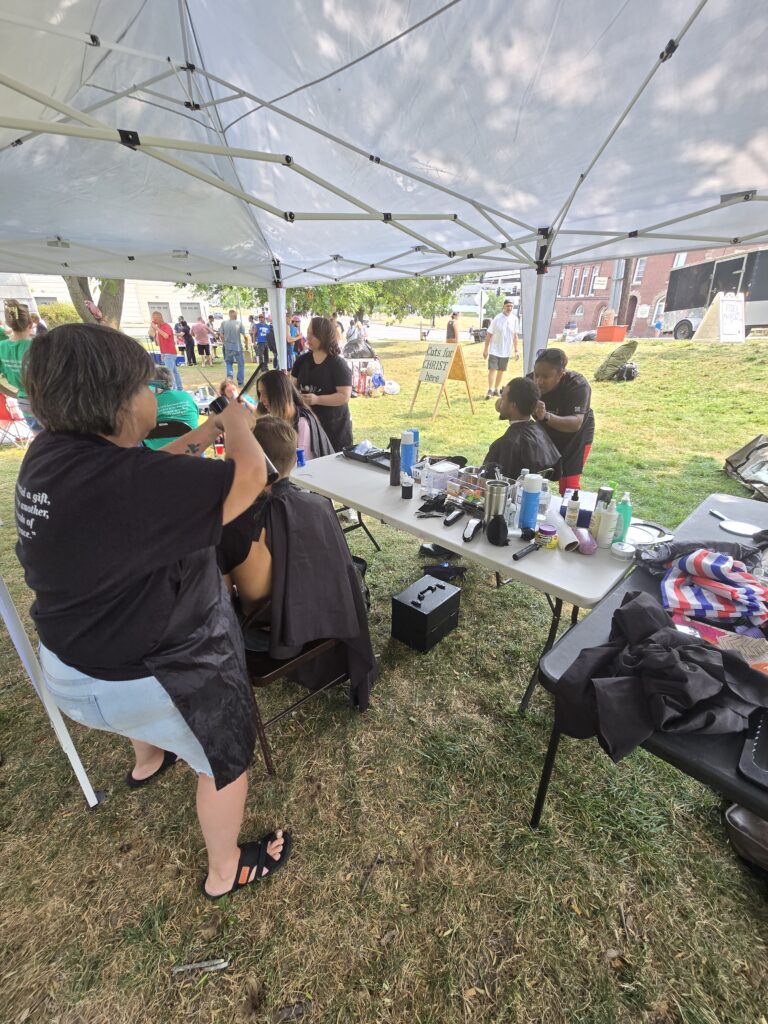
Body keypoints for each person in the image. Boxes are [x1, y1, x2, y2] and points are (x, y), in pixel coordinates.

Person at [16, 322, 290, 900]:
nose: (152, 396)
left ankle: (147, 759)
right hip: (142, 678)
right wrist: (240, 427)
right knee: (225, 758)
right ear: (117, 404)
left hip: (69, 668)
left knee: (145, 718)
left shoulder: (50, 456)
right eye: (146, 387)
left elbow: (145, 470)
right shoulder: (127, 484)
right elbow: (250, 478)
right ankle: (225, 871)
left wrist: (204, 432)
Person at [217, 415, 377, 707]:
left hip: (268, 637)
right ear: (293, 460)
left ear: (246, 458)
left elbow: (220, 601)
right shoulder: (319, 504)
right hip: (324, 619)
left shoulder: (232, 524)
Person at [530, 347, 595, 495]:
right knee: (532, 476)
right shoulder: (531, 382)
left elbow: (576, 423)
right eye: (536, 375)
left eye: (545, 377)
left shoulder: (577, 385)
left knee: (568, 485)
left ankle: (569, 514)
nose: (538, 381)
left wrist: (546, 416)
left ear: (560, 374)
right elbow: (506, 402)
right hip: (547, 431)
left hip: (576, 435)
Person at [291, 315, 353, 452]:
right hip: (308, 426)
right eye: (307, 333)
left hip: (335, 428)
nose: (308, 337)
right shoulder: (301, 361)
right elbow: (291, 387)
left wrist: (317, 399)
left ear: (323, 336)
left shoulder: (337, 364)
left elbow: (344, 396)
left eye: (313, 334)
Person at [483, 377, 562, 481]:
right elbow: (556, 472)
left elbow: (489, 482)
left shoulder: (505, 444)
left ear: (513, 406)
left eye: (503, 398)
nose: (500, 403)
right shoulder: (539, 431)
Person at [256, 369, 333, 460]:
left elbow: (302, 464)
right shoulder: (278, 419)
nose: (261, 399)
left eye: (265, 393)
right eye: (260, 393)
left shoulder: (302, 424)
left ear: (280, 394)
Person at [0, 300, 38, 430]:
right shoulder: (38, 345)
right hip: (46, 399)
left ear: (8, 324)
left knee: (40, 441)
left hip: (23, 400)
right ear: (30, 324)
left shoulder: (1, 347)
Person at [143, 365, 200, 450]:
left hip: (159, 454)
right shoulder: (185, 396)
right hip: (192, 450)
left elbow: (141, 429)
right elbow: (196, 416)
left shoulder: (148, 403)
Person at [483, 299, 519, 399]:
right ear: (503, 306)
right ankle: (490, 390)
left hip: (506, 351)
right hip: (494, 349)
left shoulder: (515, 319)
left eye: (511, 306)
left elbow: (515, 336)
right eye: (508, 306)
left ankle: (496, 389)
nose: (509, 308)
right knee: (492, 369)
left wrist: (516, 350)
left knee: (501, 370)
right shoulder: (497, 318)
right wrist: (485, 349)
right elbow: (489, 335)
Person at [148, 310, 182, 390]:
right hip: (165, 353)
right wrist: (154, 329)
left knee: (169, 373)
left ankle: (172, 389)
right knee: (175, 372)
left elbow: (166, 336)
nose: (154, 321)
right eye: (153, 320)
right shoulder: (159, 328)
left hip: (169, 352)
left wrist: (156, 327)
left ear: (160, 318)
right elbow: (157, 342)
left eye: (155, 319)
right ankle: (180, 388)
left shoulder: (166, 326)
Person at [220, 309, 247, 386]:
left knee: (228, 363)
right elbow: (244, 335)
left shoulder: (223, 323)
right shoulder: (239, 323)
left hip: (228, 347)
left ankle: (229, 379)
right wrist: (246, 344)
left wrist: (224, 343)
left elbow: (221, 335)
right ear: (235, 315)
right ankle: (240, 382)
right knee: (241, 364)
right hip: (237, 347)